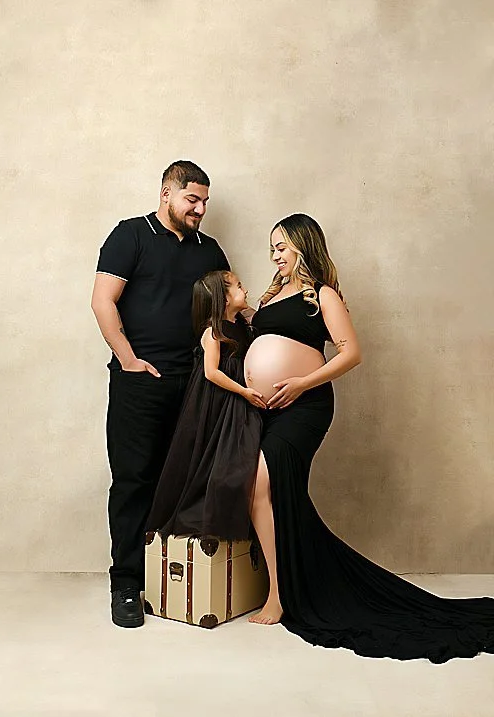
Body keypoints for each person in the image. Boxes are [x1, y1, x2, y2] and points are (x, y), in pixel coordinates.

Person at [245, 214, 494, 659]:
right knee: (270, 491)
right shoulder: (270, 296)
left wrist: (302, 382)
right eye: (272, 249)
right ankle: (285, 584)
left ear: (304, 245)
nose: (275, 255)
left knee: (265, 484)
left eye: (282, 246)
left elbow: (352, 352)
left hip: (305, 408)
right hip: (268, 411)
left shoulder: (320, 295)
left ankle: (280, 596)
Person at [90, 160, 229, 628]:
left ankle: (169, 578)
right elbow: (102, 300)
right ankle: (126, 585)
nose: (201, 209)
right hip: (139, 382)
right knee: (133, 482)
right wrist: (128, 359)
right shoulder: (129, 235)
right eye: (193, 199)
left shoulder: (209, 250)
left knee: (184, 481)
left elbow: (228, 307)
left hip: (194, 384)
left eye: (205, 201)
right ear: (166, 193)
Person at [140, 270, 262, 540]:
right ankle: (205, 518)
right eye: (239, 287)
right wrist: (244, 391)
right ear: (224, 299)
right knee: (216, 460)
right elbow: (211, 372)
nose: (245, 290)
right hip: (220, 403)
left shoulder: (242, 325)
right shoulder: (214, 331)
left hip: (238, 402)